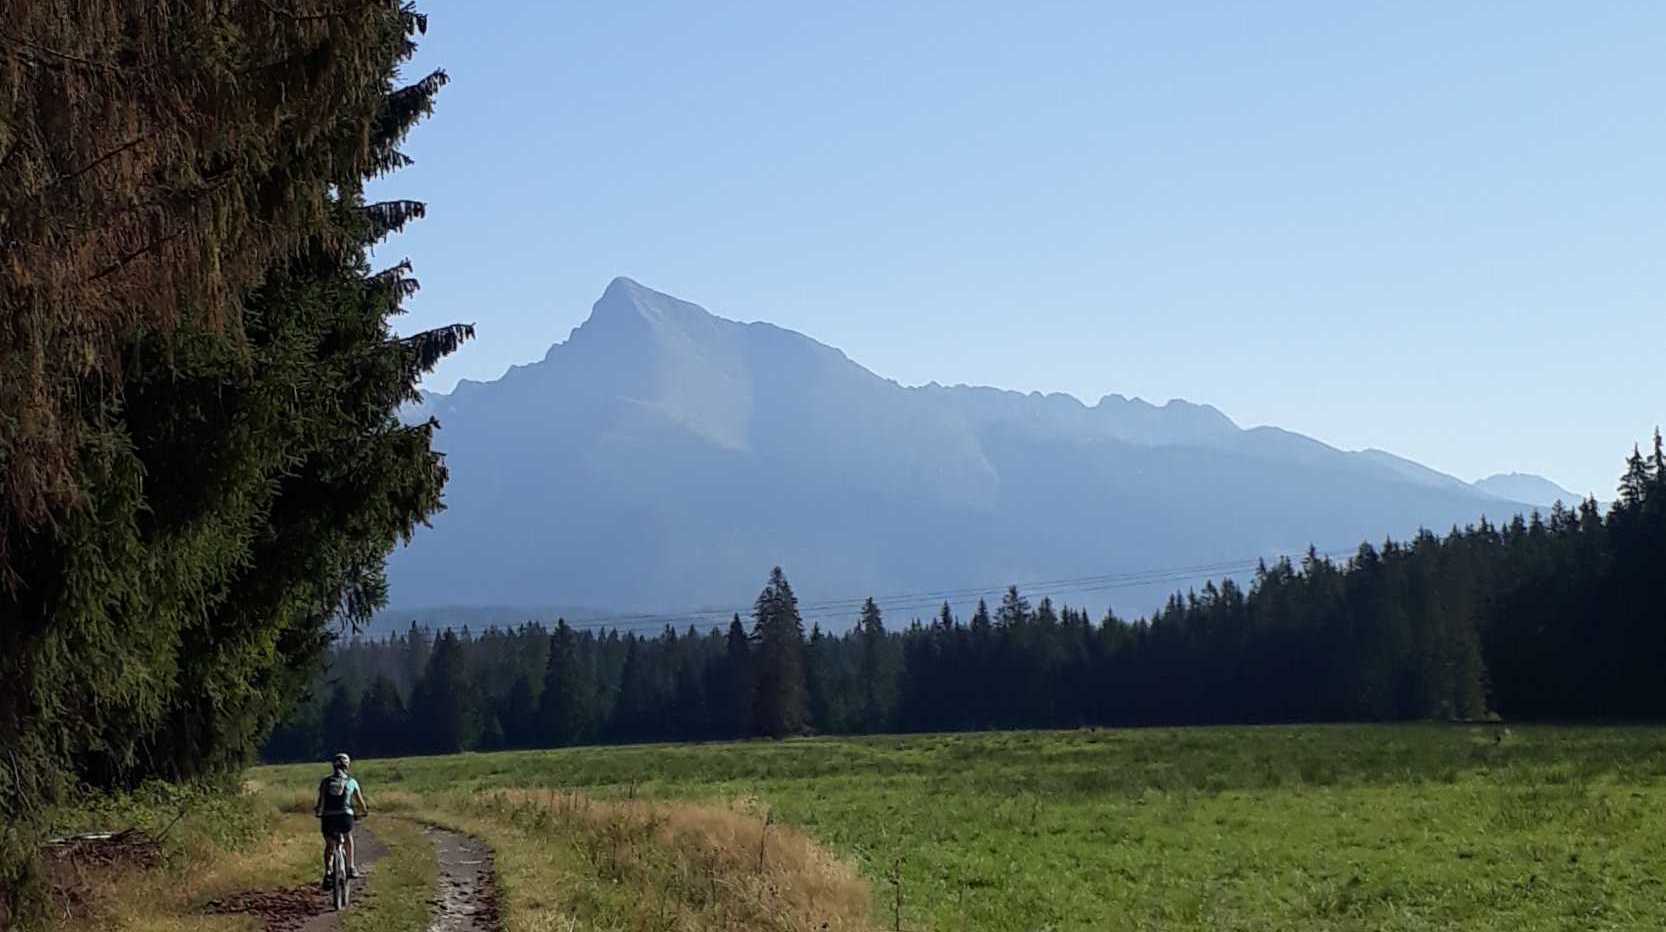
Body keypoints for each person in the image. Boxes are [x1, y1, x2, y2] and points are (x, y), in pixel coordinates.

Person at [314, 752, 368, 888]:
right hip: (345, 816)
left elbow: (321, 801)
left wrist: (319, 812)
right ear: (347, 766)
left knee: (329, 845)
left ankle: (328, 872)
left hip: (328, 817)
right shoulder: (351, 782)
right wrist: (364, 812)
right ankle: (351, 867)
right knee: (348, 837)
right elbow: (361, 803)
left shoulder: (326, 782)